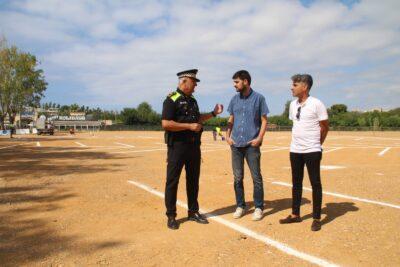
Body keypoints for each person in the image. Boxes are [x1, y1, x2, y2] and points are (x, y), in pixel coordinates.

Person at [161, 69, 223, 230]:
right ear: (184, 81)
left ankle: (193, 211)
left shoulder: (193, 100)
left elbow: (197, 119)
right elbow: (166, 123)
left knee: (193, 181)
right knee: (172, 181)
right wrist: (188, 126)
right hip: (177, 148)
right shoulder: (171, 100)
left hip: (194, 147)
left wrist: (213, 114)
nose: (195, 86)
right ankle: (171, 215)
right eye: (193, 83)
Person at [279, 74, 329, 231]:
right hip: (295, 150)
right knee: (296, 183)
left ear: (305, 87)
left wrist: (317, 144)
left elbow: (325, 126)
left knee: (315, 183)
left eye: (294, 85)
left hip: (312, 150)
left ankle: (316, 218)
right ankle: (295, 214)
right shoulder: (293, 105)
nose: (291, 88)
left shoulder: (317, 104)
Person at [226, 70, 269, 221]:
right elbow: (231, 118)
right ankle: (241, 206)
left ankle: (258, 207)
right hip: (236, 145)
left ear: (245, 81)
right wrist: (227, 136)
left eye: (236, 82)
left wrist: (259, 138)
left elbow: (264, 120)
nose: (234, 85)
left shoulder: (259, 98)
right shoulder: (234, 99)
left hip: (252, 145)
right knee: (238, 178)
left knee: (256, 177)